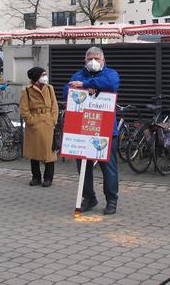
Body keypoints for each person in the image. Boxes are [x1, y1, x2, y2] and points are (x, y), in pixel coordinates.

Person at [64, 46, 121, 215]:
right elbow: (67, 91)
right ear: (85, 61)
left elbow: (111, 84)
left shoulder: (110, 73)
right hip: (83, 129)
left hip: (106, 130)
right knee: (83, 168)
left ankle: (112, 200)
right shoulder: (78, 74)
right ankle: (89, 198)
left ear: (103, 60)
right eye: (90, 59)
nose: (93, 61)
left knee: (108, 168)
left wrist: (85, 85)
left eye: (97, 58)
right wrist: (85, 86)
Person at [20, 66, 59, 187]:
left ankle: (48, 178)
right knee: (34, 152)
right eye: (43, 75)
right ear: (36, 77)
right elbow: (24, 108)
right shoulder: (26, 90)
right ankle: (36, 177)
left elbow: (54, 105)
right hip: (35, 122)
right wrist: (31, 121)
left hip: (48, 121)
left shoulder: (49, 88)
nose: (45, 77)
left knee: (49, 152)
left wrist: (53, 120)